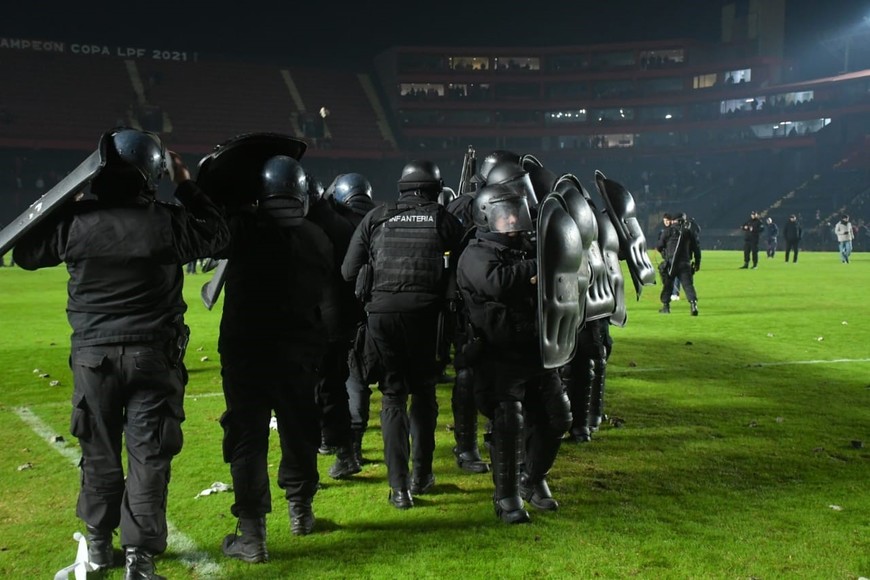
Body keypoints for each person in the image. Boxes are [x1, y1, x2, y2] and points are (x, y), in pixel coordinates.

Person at [12, 128, 229, 579]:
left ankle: (97, 544)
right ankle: (139, 559)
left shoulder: (78, 222)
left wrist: (64, 202)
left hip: (94, 359)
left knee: (99, 453)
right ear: (152, 172)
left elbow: (27, 253)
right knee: (149, 456)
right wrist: (186, 183)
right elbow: (218, 234)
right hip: (155, 357)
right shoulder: (168, 220)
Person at [215, 154, 334, 562]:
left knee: (247, 439)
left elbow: (215, 223)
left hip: (247, 355)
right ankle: (301, 512)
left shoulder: (243, 229)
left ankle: (252, 536)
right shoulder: (317, 238)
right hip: (298, 353)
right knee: (299, 431)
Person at [341, 160, 464, 509]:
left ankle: (399, 489)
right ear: (434, 189)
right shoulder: (443, 219)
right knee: (423, 394)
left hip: (383, 316)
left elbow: (348, 271)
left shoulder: (376, 217)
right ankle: (422, 476)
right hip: (427, 317)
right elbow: (462, 265)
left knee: (393, 396)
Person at [457, 180, 573, 524]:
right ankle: (506, 497)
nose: (511, 221)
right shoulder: (476, 252)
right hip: (498, 356)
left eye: (515, 214)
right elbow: (497, 283)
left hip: (537, 351)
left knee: (558, 417)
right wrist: (536, 269)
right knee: (508, 424)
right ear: (485, 217)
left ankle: (532, 478)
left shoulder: (529, 247)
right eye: (504, 215)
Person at [303, 173, 361, 480]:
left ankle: (340, 451)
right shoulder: (340, 221)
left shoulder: (312, 228)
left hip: (321, 319)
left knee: (320, 389)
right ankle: (336, 445)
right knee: (332, 386)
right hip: (340, 317)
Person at [657, 213, 701, 315]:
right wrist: (697, 262)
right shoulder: (688, 232)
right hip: (685, 263)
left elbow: (659, 246)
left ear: (673, 220)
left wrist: (665, 252)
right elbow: (696, 248)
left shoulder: (668, 232)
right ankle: (693, 305)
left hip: (671, 263)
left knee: (668, 285)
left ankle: (666, 307)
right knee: (688, 285)